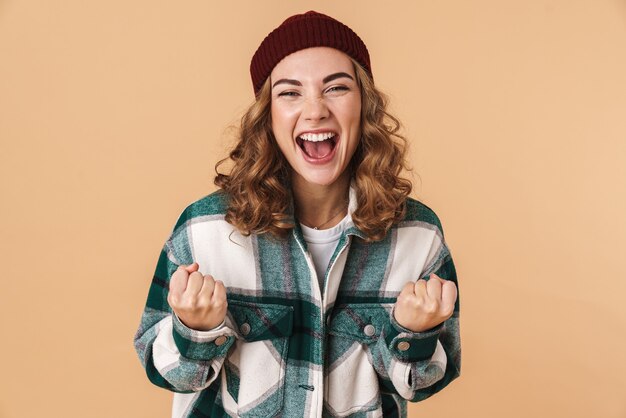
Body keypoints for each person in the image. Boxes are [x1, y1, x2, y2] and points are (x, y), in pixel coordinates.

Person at [134, 10, 460, 418]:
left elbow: (425, 384)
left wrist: (414, 334)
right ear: (267, 117)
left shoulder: (419, 235)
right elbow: (164, 371)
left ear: (365, 105)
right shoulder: (204, 231)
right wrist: (195, 331)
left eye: (336, 88)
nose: (315, 110)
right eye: (290, 92)